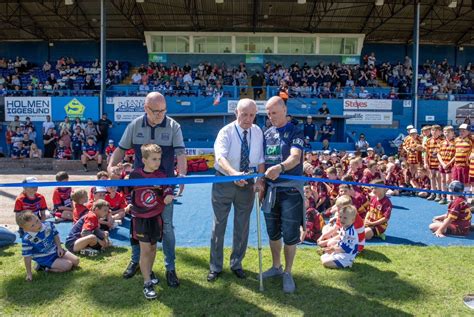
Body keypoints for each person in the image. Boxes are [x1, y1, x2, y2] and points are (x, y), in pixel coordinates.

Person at [107, 91, 186, 288]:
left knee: (166, 227)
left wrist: (182, 175)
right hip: (139, 187)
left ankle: (170, 268)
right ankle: (136, 261)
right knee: (137, 227)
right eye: (156, 111)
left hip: (164, 187)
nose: (161, 115)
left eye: (163, 110)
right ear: (145, 109)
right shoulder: (134, 125)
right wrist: (110, 168)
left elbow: (181, 154)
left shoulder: (173, 125)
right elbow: (120, 150)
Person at [208, 98, 265, 282]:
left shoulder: (258, 132)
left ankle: (236, 263)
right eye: (244, 114)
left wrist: (259, 180)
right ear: (236, 113)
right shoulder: (226, 132)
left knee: (242, 226)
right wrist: (234, 175)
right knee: (219, 225)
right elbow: (221, 158)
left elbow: (261, 161)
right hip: (224, 181)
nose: (248, 119)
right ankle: (215, 267)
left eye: (252, 115)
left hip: (247, 185)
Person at [261, 96, 304, 294]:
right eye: (268, 113)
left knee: (290, 233)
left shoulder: (295, 131)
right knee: (273, 231)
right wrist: (261, 182)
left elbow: (295, 157)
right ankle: (276, 266)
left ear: (284, 110)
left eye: (274, 112)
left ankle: (288, 272)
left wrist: (280, 167)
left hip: (290, 190)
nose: (271, 116)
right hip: (270, 190)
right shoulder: (266, 133)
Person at [129, 144, 174, 299]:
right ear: (144, 160)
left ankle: (149, 271)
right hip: (141, 218)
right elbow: (125, 190)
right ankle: (147, 283)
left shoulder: (161, 175)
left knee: (154, 249)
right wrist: (115, 177)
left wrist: (168, 194)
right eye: (154, 159)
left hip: (155, 217)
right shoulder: (135, 175)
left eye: (159, 159)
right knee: (145, 250)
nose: (157, 162)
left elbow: (167, 188)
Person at [18, 211, 79, 281]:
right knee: (68, 265)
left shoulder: (48, 224)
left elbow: (55, 235)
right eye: (32, 225)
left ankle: (57, 262)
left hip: (55, 250)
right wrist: (29, 273)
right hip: (45, 258)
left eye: (37, 221)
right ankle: (44, 267)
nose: (38, 225)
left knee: (76, 261)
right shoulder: (27, 239)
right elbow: (27, 257)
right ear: (25, 229)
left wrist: (59, 247)